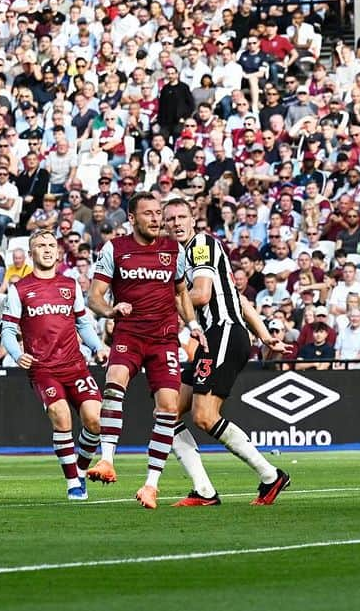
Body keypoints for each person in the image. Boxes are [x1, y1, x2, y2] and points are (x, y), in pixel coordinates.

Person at [164, 198, 291, 506]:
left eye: (182, 217)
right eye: (171, 219)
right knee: (166, 413)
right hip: (218, 337)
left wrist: (158, 303)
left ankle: (270, 475)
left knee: (205, 417)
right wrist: (264, 337)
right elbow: (241, 300)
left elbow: (202, 294)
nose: (177, 223)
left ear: (194, 220)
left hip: (222, 334)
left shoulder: (201, 245)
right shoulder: (182, 256)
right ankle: (204, 491)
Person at [85, 192, 207, 509]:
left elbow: (181, 293)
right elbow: (93, 297)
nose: (156, 219)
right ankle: (107, 459)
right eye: (148, 213)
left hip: (164, 338)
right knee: (113, 383)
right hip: (129, 332)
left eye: (158, 213)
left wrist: (192, 325)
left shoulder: (173, 250)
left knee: (168, 407)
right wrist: (111, 310)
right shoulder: (116, 249)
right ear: (132, 218)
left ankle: (151, 485)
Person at [0, 230, 108, 501]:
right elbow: (8, 330)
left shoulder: (70, 286)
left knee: (95, 420)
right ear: (31, 252)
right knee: (61, 417)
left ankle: (80, 470)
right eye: (40, 245)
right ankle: (73, 484)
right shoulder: (19, 289)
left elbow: (83, 323)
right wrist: (16, 353)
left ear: (58, 252)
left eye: (51, 245)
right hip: (43, 369)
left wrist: (98, 346)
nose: (47, 250)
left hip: (75, 366)